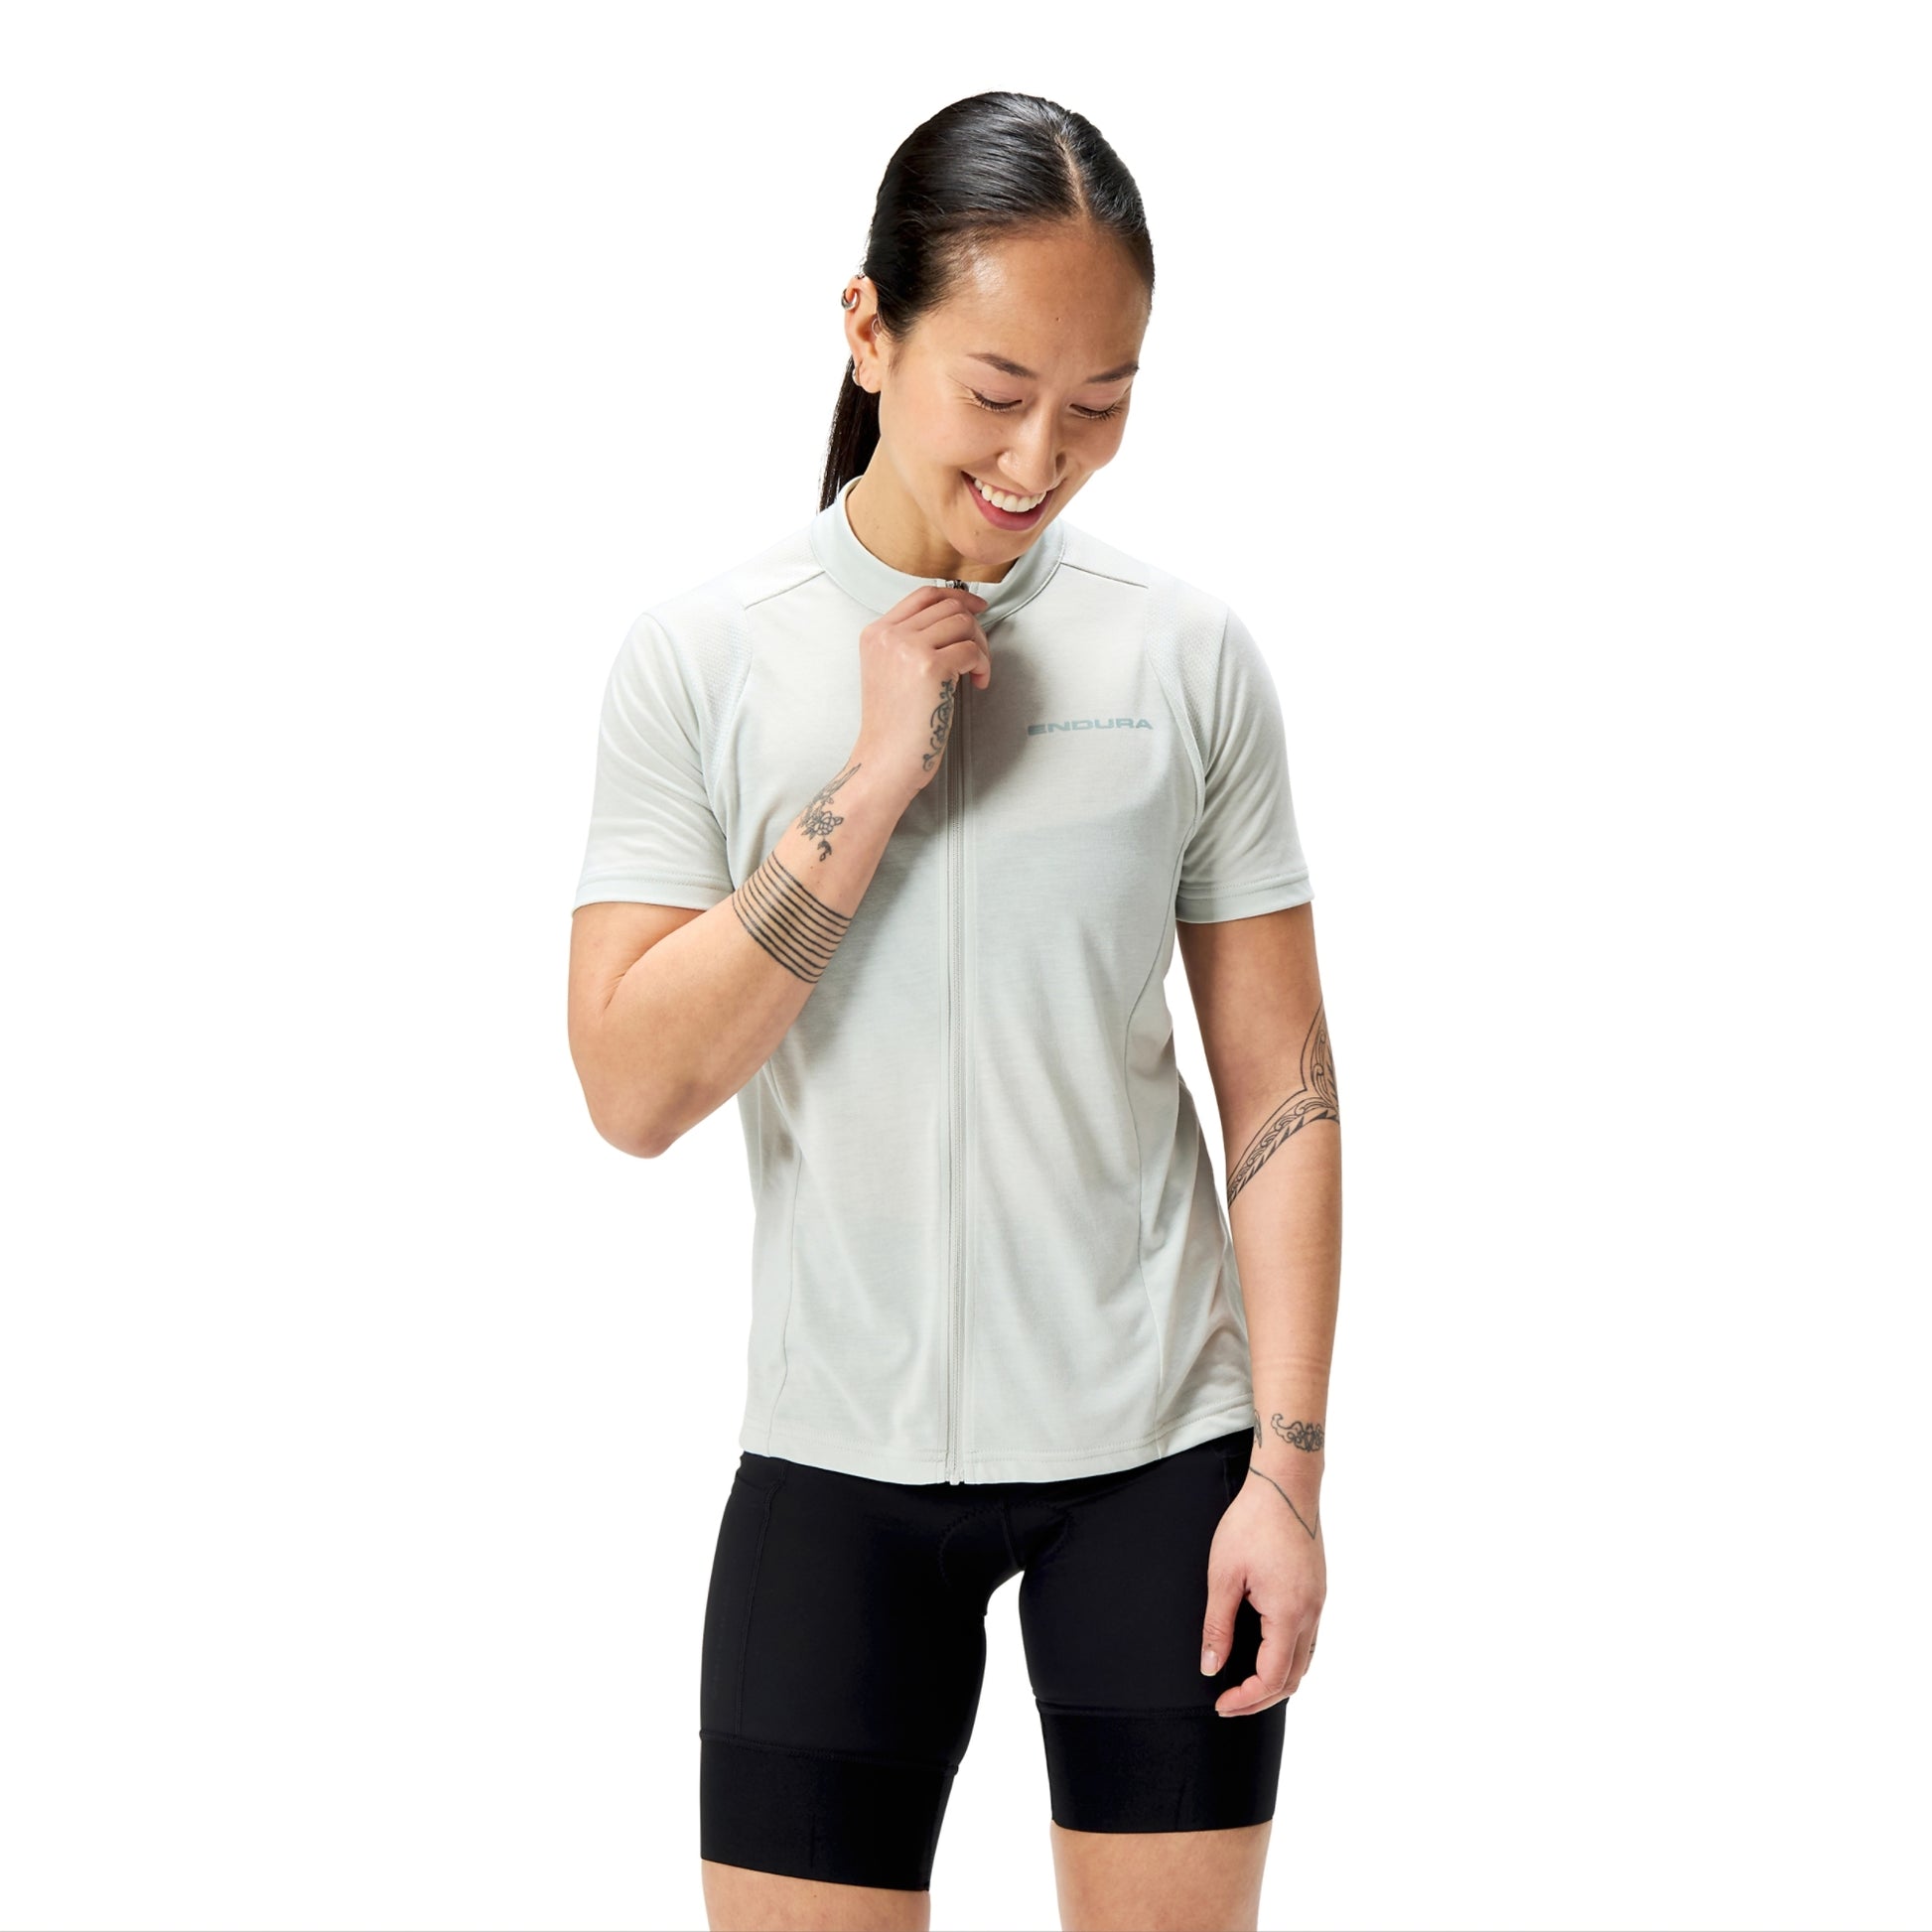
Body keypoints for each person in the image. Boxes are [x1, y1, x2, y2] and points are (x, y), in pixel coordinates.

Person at [566, 89, 1341, 1932]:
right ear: (868, 329)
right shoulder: (703, 654)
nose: (1040, 454)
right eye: (996, 390)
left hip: (1157, 1459)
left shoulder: (1182, 653)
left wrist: (1287, 1476)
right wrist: (868, 784)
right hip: (830, 1463)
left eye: (1101, 400)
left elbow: (1280, 1093)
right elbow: (629, 1087)